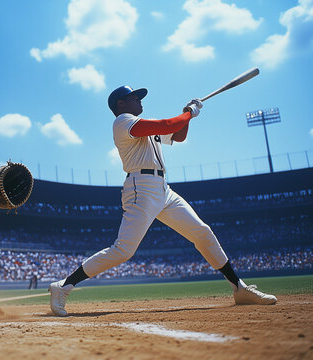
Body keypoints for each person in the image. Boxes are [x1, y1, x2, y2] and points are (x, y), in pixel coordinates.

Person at [48, 86, 277, 316]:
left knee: (202, 232)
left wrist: (187, 113)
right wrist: (189, 114)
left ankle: (239, 288)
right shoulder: (123, 122)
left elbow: (177, 134)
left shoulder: (141, 123)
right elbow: (168, 125)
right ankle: (63, 286)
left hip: (163, 188)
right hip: (141, 188)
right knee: (123, 250)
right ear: (121, 104)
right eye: (134, 98)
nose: (140, 101)